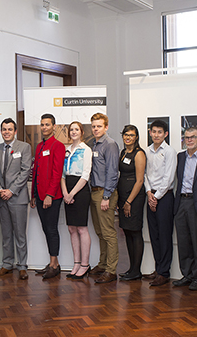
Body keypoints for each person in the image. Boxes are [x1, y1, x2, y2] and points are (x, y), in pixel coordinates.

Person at [0, 118, 31, 280]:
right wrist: (1, 190)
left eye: (9, 129)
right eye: (3, 129)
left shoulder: (24, 147)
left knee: (20, 234)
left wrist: (11, 190)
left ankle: (22, 266)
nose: (6, 132)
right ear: (1, 131)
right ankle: (7, 264)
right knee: (6, 234)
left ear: (15, 131)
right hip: (2, 198)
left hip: (18, 198)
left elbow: (25, 171)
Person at [173, 127, 197, 291]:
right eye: (186, 137)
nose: (189, 140)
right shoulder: (180, 157)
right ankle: (186, 274)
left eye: (192, 137)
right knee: (183, 241)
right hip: (181, 202)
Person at [30, 113, 65, 279]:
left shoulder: (58, 146)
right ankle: (52, 262)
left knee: (51, 229)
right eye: (42, 124)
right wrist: (33, 195)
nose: (44, 127)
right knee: (46, 228)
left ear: (54, 127)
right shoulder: (39, 146)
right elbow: (35, 171)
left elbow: (57, 173)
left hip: (52, 196)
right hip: (39, 195)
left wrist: (50, 194)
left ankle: (55, 264)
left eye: (47, 124)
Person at [143, 120, 177, 287]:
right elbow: (144, 175)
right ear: (150, 133)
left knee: (164, 235)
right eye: (153, 131)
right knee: (154, 235)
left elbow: (169, 177)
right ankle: (158, 269)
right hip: (151, 196)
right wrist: (149, 193)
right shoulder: (147, 151)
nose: (156, 135)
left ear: (166, 134)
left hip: (165, 197)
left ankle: (164, 272)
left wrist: (156, 197)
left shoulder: (170, 151)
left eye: (159, 132)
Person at [88, 113, 119, 284]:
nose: (95, 129)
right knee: (100, 232)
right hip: (94, 191)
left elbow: (113, 172)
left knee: (108, 233)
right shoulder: (93, 144)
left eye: (99, 126)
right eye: (93, 126)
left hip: (104, 193)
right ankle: (102, 264)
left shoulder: (110, 144)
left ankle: (111, 270)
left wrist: (107, 196)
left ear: (106, 127)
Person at [61, 121, 92, 280]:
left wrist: (72, 194)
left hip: (80, 191)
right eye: (71, 129)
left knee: (81, 228)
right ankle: (76, 263)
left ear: (82, 132)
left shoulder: (86, 150)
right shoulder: (66, 150)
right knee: (71, 228)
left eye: (76, 129)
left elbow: (86, 175)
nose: (73, 132)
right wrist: (65, 193)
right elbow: (62, 175)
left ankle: (85, 265)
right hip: (68, 190)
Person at [117, 125, 146, 281]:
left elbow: (139, 180)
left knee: (135, 232)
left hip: (134, 198)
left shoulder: (139, 154)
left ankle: (137, 270)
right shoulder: (123, 153)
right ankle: (131, 268)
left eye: (131, 135)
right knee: (127, 231)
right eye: (125, 134)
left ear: (136, 137)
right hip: (123, 197)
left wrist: (129, 201)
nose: (128, 137)